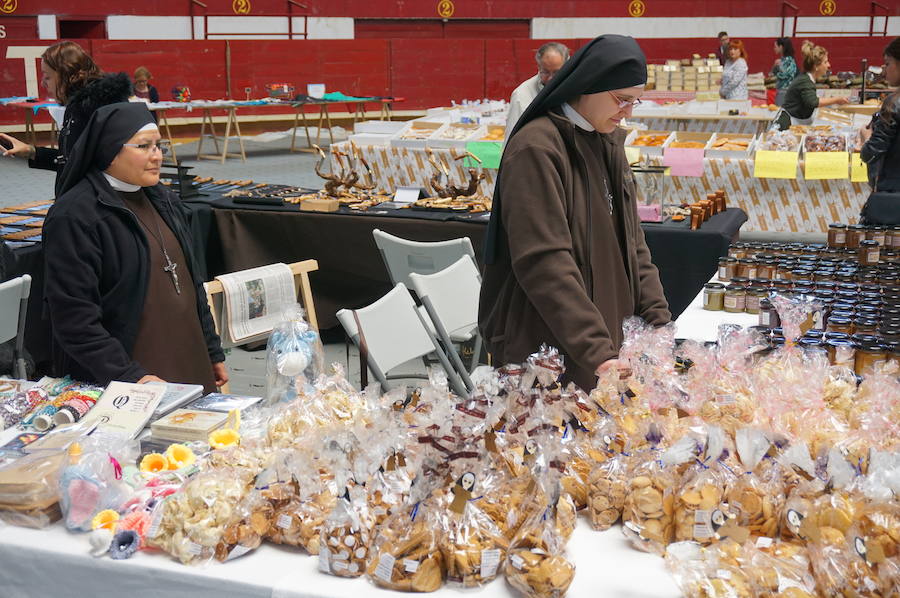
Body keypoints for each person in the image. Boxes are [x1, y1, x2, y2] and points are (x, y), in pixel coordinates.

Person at [480, 35, 671, 392]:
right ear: (590, 85)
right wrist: (597, 350)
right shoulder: (536, 149)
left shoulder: (607, 142)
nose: (629, 111)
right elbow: (544, 262)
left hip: (603, 349)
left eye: (635, 101)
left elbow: (634, 245)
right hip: (551, 352)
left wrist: (659, 323)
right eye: (622, 99)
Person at [43, 102, 228, 392]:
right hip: (132, 376)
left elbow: (193, 284)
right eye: (144, 147)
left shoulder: (164, 199)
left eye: (159, 146)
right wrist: (128, 375)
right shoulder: (75, 216)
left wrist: (211, 350)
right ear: (109, 149)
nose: (157, 156)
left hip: (190, 359)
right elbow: (74, 318)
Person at [0, 41, 132, 194]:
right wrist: (31, 151)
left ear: (69, 76)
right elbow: (71, 162)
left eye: (48, 77)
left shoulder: (98, 112)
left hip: (94, 207)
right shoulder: (78, 107)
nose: (43, 83)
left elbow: (98, 171)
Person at [858, 37, 900, 224]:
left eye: (888, 63)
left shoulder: (893, 103)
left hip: (892, 192)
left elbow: (872, 152)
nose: (885, 69)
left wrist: (866, 138)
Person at [776, 40, 849, 130]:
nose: (829, 65)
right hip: (788, 124)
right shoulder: (805, 81)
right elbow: (813, 102)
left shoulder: (807, 79)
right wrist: (836, 100)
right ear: (816, 66)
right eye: (825, 62)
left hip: (796, 122)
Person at [505, 42, 570, 135]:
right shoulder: (521, 95)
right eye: (546, 72)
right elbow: (512, 135)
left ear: (567, 68)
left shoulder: (576, 89)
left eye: (556, 72)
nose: (551, 78)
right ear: (539, 67)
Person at [771, 37, 798, 106]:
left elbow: (786, 75)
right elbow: (771, 74)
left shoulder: (789, 60)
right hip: (781, 91)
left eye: (775, 46)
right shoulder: (782, 60)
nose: (774, 48)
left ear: (781, 47)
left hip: (786, 91)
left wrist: (780, 66)